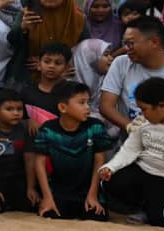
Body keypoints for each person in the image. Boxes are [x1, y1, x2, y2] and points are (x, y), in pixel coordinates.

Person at [99, 77, 164, 229]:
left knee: (163, 220)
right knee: (106, 181)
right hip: (143, 171)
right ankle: (146, 207)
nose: (141, 113)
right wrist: (111, 167)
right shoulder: (144, 122)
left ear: (161, 106)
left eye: (144, 109)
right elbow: (131, 149)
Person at [29, 81, 113, 221]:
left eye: (88, 102)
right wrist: (47, 198)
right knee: (51, 214)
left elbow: (99, 161)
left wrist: (93, 195)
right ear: (62, 107)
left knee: (97, 216)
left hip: (87, 190)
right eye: (81, 103)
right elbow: (39, 164)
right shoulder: (47, 130)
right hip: (59, 190)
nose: (87, 107)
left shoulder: (95, 127)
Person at [21, 42, 73, 116]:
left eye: (58, 63)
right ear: (39, 65)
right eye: (47, 62)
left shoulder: (72, 92)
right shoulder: (27, 92)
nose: (51, 66)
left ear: (66, 68)